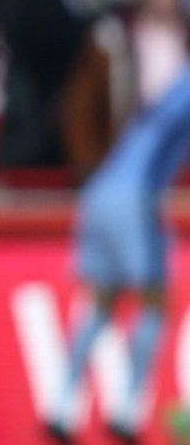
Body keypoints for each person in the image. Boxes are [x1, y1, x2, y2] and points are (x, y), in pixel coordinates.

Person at [47, 65, 190, 444]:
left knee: (103, 302)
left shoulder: (175, 81)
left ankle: (60, 402)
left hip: (100, 194)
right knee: (157, 303)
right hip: (135, 198)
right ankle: (128, 409)